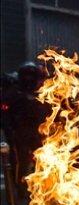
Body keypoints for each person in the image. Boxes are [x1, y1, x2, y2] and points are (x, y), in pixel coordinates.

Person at [4, 62, 50, 194]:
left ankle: (39, 185)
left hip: (36, 131)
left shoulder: (40, 91)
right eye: (27, 75)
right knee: (20, 161)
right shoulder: (14, 92)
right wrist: (10, 131)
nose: (29, 79)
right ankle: (21, 186)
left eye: (32, 75)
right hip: (20, 132)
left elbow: (46, 111)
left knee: (40, 158)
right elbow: (7, 113)